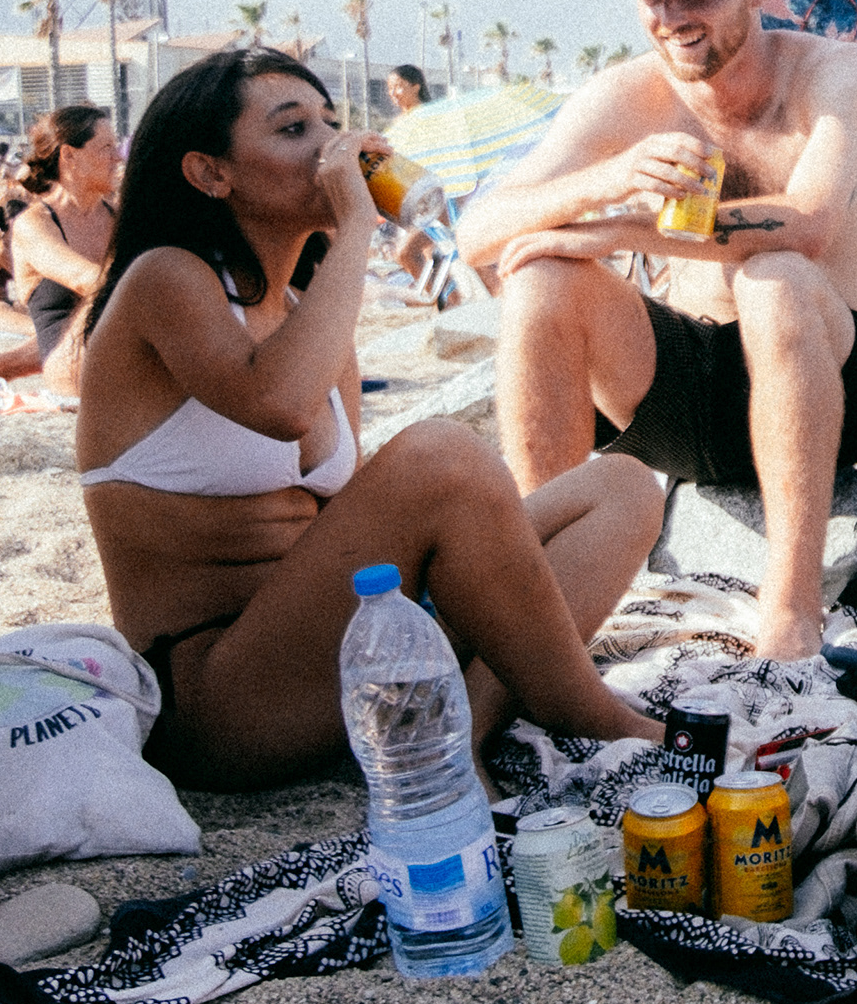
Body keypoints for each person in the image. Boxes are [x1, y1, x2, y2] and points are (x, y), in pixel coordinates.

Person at [74, 47, 663, 789]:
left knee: (622, 485)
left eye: (332, 123)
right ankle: (591, 713)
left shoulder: (302, 313)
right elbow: (278, 407)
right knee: (440, 452)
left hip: (346, 654)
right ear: (210, 173)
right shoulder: (165, 278)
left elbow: (345, 512)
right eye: (293, 131)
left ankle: (464, 733)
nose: (331, 148)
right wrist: (356, 226)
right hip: (222, 702)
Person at [467, 0, 857, 660]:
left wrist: (617, 232)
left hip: (824, 368)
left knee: (774, 278)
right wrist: (606, 183)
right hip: (683, 391)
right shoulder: (627, 96)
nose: (671, 21)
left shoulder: (833, 73)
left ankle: (792, 612)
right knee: (540, 277)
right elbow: (477, 233)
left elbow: (808, 224)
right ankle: (540, 600)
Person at [0, 104, 121, 398]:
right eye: (107, 147)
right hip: (75, 370)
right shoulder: (34, 224)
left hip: (120, 353)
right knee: (120, 286)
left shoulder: (116, 216)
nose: (118, 157)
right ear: (69, 156)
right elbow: (86, 279)